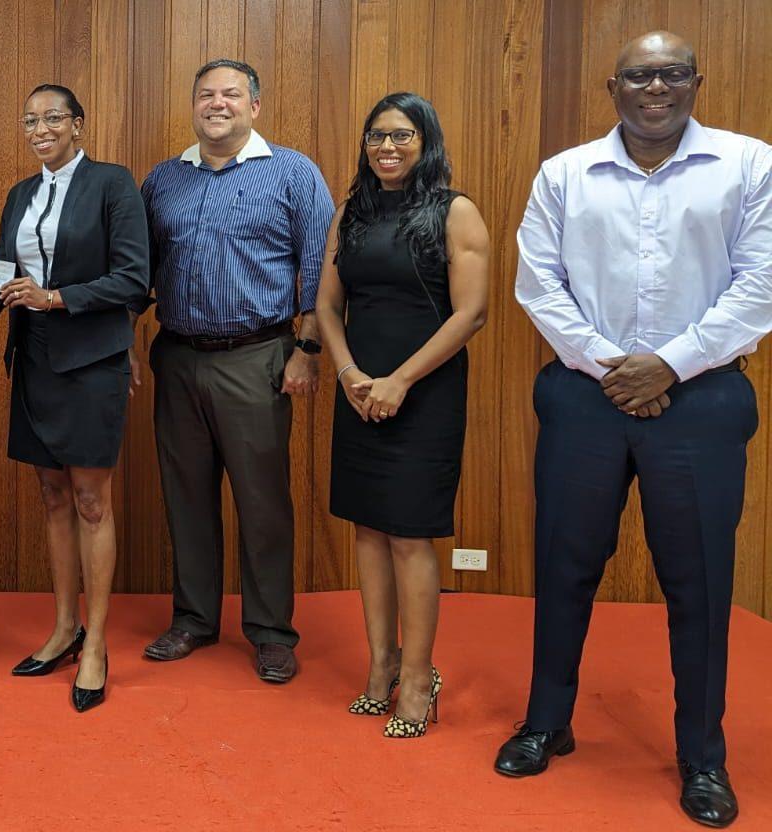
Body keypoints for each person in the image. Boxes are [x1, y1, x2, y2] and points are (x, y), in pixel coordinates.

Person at [497, 31, 771, 828]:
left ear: (696, 82)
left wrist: (671, 366)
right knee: (564, 565)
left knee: (700, 583)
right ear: (613, 86)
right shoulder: (565, 174)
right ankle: (547, 722)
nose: (657, 86)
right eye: (641, 75)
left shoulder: (750, 166)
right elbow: (536, 283)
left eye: (672, 74)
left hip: (704, 401)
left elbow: (760, 287)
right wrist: (613, 365)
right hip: (586, 394)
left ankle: (703, 755)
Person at [0, 84, 149, 712]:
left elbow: (132, 278)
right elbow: (5, 282)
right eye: (30, 119)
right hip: (35, 361)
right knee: (53, 494)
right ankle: (64, 629)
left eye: (52, 118)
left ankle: (95, 645)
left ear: (77, 124)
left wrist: (56, 298)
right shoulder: (19, 194)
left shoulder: (113, 184)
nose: (40, 129)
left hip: (91, 362)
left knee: (92, 500)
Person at [139, 59, 334, 682]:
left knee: (262, 501)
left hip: (259, 356)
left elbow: (325, 267)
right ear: (192, 106)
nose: (216, 104)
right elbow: (138, 271)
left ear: (255, 105)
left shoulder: (293, 173)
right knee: (186, 495)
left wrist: (307, 349)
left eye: (230, 95)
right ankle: (194, 619)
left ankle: (271, 630)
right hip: (177, 355)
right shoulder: (163, 181)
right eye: (205, 95)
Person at [314, 92, 489, 738]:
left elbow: (471, 313)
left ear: (426, 141)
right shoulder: (349, 213)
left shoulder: (455, 211)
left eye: (401, 135)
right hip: (359, 389)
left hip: (425, 392)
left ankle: (419, 676)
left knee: (410, 534)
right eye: (376, 137)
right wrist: (349, 373)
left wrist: (400, 380)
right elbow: (327, 307)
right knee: (366, 528)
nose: (387, 147)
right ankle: (381, 665)